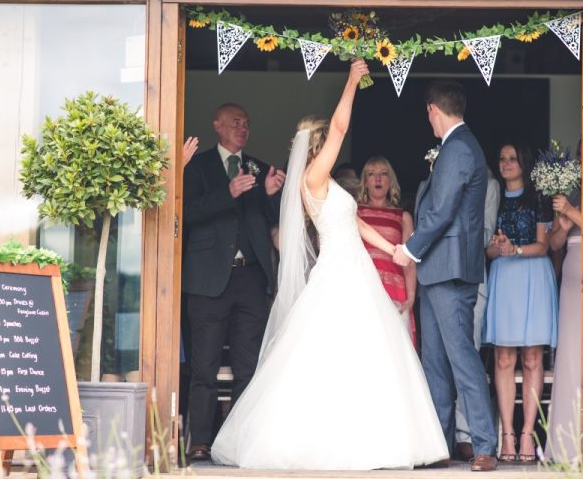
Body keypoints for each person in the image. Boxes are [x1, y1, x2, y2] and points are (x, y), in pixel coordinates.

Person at [210, 60, 448, 470]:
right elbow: (340, 128)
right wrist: (352, 82)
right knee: (338, 354)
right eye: (330, 141)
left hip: (356, 268)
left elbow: (354, 221)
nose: (337, 142)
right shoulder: (314, 177)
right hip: (340, 274)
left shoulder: (330, 184)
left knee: (363, 355)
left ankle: (367, 439)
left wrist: (394, 249)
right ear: (320, 146)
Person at [393, 80, 498, 472]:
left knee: (462, 358)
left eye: (429, 116)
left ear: (433, 110)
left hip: (451, 269)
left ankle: (484, 444)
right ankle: (440, 443)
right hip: (438, 270)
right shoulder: (457, 147)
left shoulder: (458, 148)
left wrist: (409, 248)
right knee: (435, 360)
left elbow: (441, 210)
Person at [182, 102, 286, 461]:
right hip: (208, 280)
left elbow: (269, 221)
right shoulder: (197, 166)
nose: (243, 128)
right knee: (204, 367)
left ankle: (236, 441)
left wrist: (271, 195)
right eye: (236, 122)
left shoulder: (257, 167)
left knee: (247, 367)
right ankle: (200, 441)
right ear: (218, 125)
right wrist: (228, 193)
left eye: (247, 123)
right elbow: (188, 214)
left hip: (251, 279)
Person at [481, 143, 558, 463]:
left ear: (523, 163)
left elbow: (544, 246)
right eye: (502, 158)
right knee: (503, 358)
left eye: (512, 158)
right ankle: (507, 435)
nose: (506, 163)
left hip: (532, 276)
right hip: (504, 277)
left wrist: (516, 250)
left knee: (530, 358)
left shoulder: (538, 198)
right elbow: (484, 250)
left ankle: (528, 433)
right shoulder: (492, 197)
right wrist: (497, 249)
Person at [454, 166, 500, 462]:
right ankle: (452, 434)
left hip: (472, 277)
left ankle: (471, 434)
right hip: (439, 278)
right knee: (441, 361)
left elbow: (484, 233)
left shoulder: (489, 185)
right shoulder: (431, 182)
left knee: (467, 355)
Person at [356, 156, 416, 347]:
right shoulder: (354, 213)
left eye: (383, 174)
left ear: (391, 181)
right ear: (365, 182)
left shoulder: (403, 216)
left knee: (392, 348)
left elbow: (410, 259)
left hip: (394, 289)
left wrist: (412, 296)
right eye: (371, 174)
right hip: (363, 286)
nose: (378, 179)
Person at [543, 190, 582, 462]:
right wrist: (563, 224)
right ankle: (567, 443)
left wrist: (569, 210)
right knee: (570, 353)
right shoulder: (573, 194)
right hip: (572, 270)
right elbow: (554, 243)